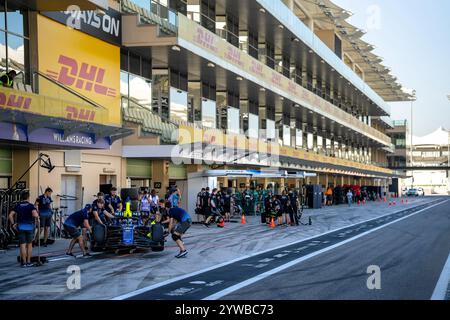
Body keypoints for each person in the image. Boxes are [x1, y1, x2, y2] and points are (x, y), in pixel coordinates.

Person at [9, 191, 39, 267]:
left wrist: (13, 224)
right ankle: (28, 262)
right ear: (28, 197)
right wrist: (36, 213)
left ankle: (23, 263)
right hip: (29, 227)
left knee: (22, 245)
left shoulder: (18, 205)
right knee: (29, 245)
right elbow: (35, 215)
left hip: (20, 226)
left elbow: (10, 215)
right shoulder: (30, 206)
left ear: (22, 197)